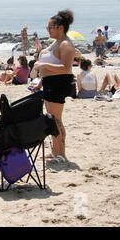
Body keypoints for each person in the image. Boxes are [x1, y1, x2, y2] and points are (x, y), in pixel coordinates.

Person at [33, 10, 76, 163]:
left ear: (60, 27)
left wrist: (43, 64)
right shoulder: (56, 42)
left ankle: (61, 154)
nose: (48, 30)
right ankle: (55, 151)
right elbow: (47, 55)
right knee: (51, 119)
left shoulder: (65, 44)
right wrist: (40, 82)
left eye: (50, 27)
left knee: (56, 120)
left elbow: (66, 68)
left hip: (59, 84)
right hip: (50, 83)